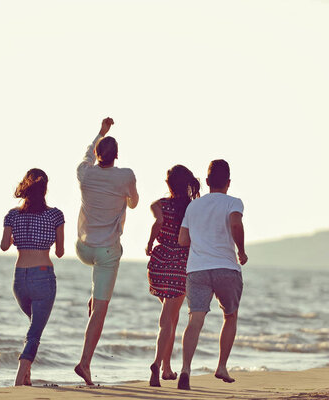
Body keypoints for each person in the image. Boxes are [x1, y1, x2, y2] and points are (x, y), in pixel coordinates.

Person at [74, 117, 139, 385]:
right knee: (101, 308)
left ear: (98, 153)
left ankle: (95, 296)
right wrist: (122, 196)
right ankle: (85, 363)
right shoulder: (126, 176)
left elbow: (86, 154)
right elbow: (134, 204)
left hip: (83, 248)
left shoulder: (84, 173)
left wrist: (100, 132)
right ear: (117, 156)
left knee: (98, 289)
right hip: (106, 252)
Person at [177, 159, 248, 390]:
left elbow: (183, 240)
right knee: (230, 315)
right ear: (228, 182)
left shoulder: (193, 206)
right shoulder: (233, 202)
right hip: (226, 267)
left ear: (207, 182)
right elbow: (236, 225)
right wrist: (242, 251)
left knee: (195, 320)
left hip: (197, 269)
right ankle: (221, 366)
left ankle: (186, 369)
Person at [0, 168, 65, 386]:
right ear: (45, 189)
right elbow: (60, 252)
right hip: (43, 276)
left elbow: (3, 245)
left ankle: (27, 378)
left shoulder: (12, 214)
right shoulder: (55, 215)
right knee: (35, 330)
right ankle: (20, 375)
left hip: (19, 278)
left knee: (33, 327)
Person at [146, 165, 200, 387]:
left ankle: (167, 368)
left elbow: (158, 222)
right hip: (180, 264)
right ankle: (157, 364)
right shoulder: (192, 208)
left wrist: (150, 242)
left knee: (171, 317)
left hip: (159, 263)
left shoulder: (158, 205)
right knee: (167, 319)